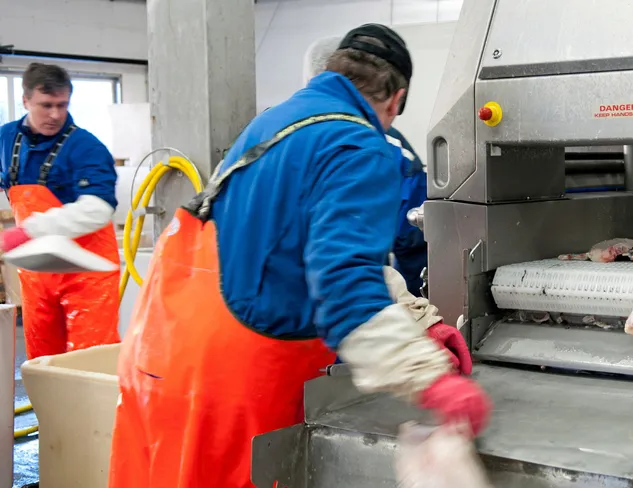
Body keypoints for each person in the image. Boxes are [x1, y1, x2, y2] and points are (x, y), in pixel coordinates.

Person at [108, 24, 491, 488]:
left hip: (162, 355)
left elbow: (307, 250)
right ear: (395, 99)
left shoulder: (273, 123)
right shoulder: (360, 147)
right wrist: (431, 380)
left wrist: (418, 319)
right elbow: (343, 283)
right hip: (237, 376)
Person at [0, 63, 120, 359]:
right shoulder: (5, 139)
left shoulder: (86, 148)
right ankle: (47, 408)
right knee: (43, 360)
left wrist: (27, 231)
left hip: (87, 276)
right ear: (26, 101)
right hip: (37, 273)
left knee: (89, 362)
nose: (55, 114)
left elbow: (97, 209)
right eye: (46, 105)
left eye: (62, 105)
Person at [305, 36, 428, 296]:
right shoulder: (387, 152)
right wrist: (420, 315)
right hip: (335, 317)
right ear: (395, 101)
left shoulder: (267, 129)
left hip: (226, 314)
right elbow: (414, 242)